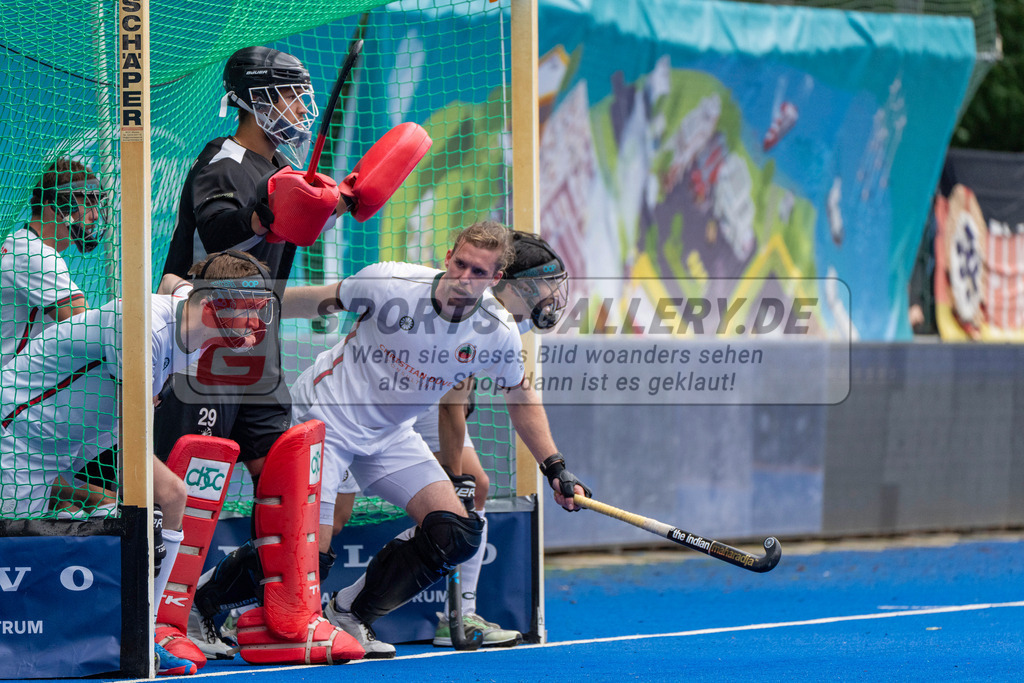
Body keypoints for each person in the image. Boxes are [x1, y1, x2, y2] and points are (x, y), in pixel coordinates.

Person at [160, 45, 429, 661]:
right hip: (203, 352)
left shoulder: (282, 169)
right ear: (255, 99)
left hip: (259, 352)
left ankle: (279, 618)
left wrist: (336, 210)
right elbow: (222, 234)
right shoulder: (222, 161)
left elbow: (280, 257)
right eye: (288, 94)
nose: (300, 107)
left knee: (286, 486)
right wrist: (270, 212)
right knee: (194, 486)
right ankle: (166, 615)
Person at [278, 220, 590, 657]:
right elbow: (315, 300)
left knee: (456, 531)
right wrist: (240, 305)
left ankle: (347, 613)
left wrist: (554, 466)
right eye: (460, 264)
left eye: (478, 272)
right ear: (448, 257)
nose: (464, 278)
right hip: (327, 417)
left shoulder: (497, 329)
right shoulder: (391, 282)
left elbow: (521, 398)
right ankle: (215, 604)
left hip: (390, 434)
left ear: (495, 278)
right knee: (315, 547)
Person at [0, 250, 272, 675]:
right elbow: (133, 442)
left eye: (260, 309)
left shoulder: (193, 318)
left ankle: (144, 635)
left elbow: (173, 281)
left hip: (62, 447)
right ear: (211, 305)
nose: (255, 323)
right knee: (14, 560)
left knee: (169, 498)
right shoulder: (145, 329)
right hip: (16, 434)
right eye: (248, 309)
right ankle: (141, 635)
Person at [0, 158, 112, 514]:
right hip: (14, 404)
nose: (94, 215)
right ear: (54, 206)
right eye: (86, 202)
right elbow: (87, 329)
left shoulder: (24, 245)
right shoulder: (35, 255)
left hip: (26, 397)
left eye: (96, 203)